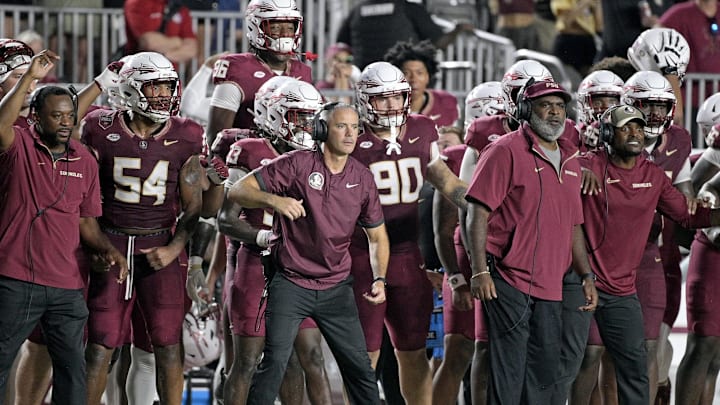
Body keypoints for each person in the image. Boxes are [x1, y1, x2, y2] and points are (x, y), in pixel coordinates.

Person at [227, 102, 390, 405]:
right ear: (321, 129)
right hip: (291, 283)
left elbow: (378, 236)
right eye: (342, 126)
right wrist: (274, 201)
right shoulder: (297, 164)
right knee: (274, 362)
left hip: (337, 288)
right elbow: (236, 190)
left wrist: (379, 277)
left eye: (355, 127)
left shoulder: (363, 177)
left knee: (361, 370)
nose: (350, 134)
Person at [565, 104, 720, 405]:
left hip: (623, 290)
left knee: (636, 368)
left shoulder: (653, 174)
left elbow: (687, 216)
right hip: (583, 283)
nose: (635, 133)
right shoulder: (588, 164)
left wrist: (717, 215)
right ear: (608, 134)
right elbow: (558, 161)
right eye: (626, 128)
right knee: (582, 359)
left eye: (638, 127)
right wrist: (576, 168)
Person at [0, 50, 127, 404]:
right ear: (35, 118)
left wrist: (108, 250)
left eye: (70, 116)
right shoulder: (18, 144)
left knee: (72, 370)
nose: (65, 123)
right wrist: (29, 78)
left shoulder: (84, 159)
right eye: (55, 116)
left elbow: (87, 221)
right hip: (16, 279)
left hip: (67, 287)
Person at [81, 51, 205, 405]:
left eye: (168, 85)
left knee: (166, 346)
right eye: (154, 87)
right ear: (131, 90)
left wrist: (174, 249)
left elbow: (194, 207)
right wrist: (97, 245)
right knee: (100, 346)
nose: (164, 94)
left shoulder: (187, 134)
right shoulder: (98, 126)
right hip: (110, 243)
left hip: (159, 246)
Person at [465, 79, 598, 404]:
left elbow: (574, 225)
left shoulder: (570, 157)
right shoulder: (504, 150)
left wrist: (586, 275)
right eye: (544, 105)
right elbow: (476, 212)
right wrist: (480, 271)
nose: (554, 113)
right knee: (508, 370)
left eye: (559, 106)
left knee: (544, 373)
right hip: (509, 280)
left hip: (551, 284)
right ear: (525, 110)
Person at [350, 61, 468, 405]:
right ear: (364, 100)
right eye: (381, 98)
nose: (390, 106)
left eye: (396, 97)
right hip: (362, 259)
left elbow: (445, 181)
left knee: (413, 351)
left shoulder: (422, 128)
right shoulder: (350, 136)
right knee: (363, 359)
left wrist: (479, 202)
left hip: (407, 255)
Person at [218, 79, 333, 405]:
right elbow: (225, 220)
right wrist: (263, 236)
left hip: (303, 267)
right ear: (273, 114)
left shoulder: (321, 156)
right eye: (298, 117)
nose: (307, 127)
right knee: (248, 362)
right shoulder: (250, 151)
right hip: (258, 262)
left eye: (312, 118)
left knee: (310, 358)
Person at [205, 0, 312, 152]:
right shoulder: (239, 69)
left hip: (290, 165)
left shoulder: (302, 72)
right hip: (247, 164)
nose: (284, 35)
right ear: (254, 27)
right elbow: (215, 141)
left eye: (289, 27)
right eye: (275, 27)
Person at [336, 0, 474, 69]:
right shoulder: (409, 9)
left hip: (366, 78)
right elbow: (439, 42)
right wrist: (458, 29)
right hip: (402, 78)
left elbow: (341, 44)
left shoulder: (357, 11)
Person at [384, 40, 459, 127]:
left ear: (428, 76)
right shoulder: (382, 106)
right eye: (406, 73)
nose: (413, 79)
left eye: (419, 73)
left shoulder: (445, 103)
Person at [123, 0, 198, 66]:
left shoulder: (180, 7)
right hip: (139, 71)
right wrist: (178, 42)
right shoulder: (137, 2)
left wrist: (164, 57)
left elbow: (192, 49)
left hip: (169, 75)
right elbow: (149, 42)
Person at [550, 0, 603, 77]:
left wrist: (597, 5)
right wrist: (585, 3)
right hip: (569, 42)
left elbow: (599, 27)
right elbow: (566, 22)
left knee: (592, 76)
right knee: (570, 79)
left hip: (588, 42)